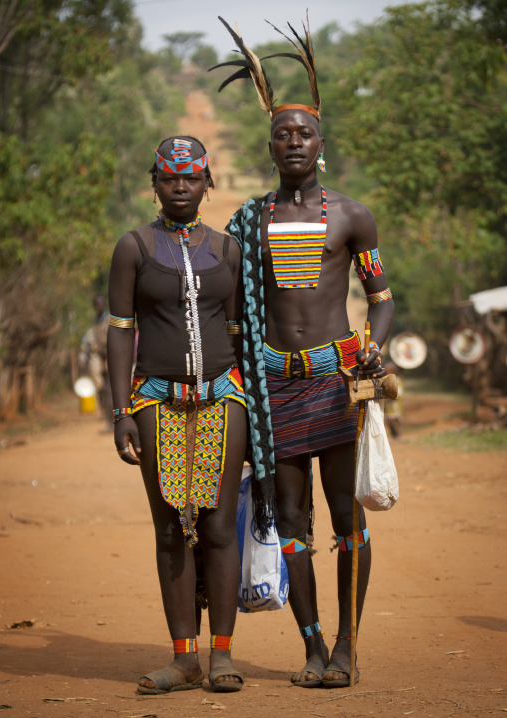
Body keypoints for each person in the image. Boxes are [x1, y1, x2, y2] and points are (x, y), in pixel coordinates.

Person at [212, 17, 395, 689]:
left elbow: (380, 294)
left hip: (335, 382)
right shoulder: (250, 222)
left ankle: (347, 647)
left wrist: (377, 347)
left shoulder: (351, 216)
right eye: (282, 134)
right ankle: (312, 645)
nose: (294, 142)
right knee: (292, 523)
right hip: (272, 389)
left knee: (347, 523)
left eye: (304, 133)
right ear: (271, 146)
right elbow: (232, 306)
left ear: (321, 143)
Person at [107, 136, 249, 694]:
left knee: (216, 525)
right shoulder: (134, 248)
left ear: (207, 183)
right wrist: (120, 411)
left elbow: (238, 329)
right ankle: (184, 657)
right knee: (170, 528)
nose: (182, 186)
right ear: (156, 183)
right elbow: (119, 334)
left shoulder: (227, 249)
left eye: (192, 178)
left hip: (224, 396)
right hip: (154, 402)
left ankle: (221, 656)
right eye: (170, 178)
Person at [80, 294, 113, 431]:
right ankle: (108, 418)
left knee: (109, 390)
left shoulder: (109, 320)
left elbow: (112, 338)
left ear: (104, 304)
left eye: (101, 304)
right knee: (102, 389)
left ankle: (112, 421)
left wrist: (100, 347)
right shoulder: (95, 320)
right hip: (100, 357)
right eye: (96, 304)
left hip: (110, 357)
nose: (99, 306)